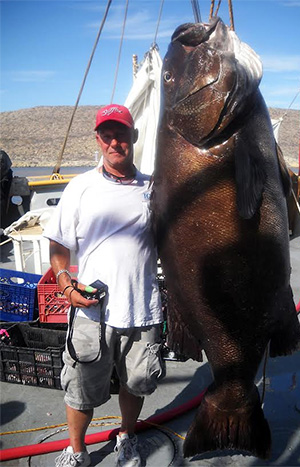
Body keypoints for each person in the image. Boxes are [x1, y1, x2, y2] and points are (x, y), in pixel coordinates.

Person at [44, 104, 165, 467]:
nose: (115, 142)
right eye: (107, 135)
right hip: (91, 310)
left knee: (137, 382)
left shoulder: (155, 189)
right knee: (80, 386)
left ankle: (127, 437)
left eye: (122, 134)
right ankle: (77, 450)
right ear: (98, 139)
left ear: (134, 137)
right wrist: (65, 282)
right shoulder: (81, 187)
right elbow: (58, 244)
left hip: (144, 307)